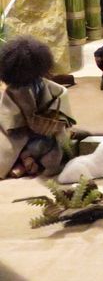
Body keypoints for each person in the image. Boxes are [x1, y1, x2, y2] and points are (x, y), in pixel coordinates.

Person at [0, 37, 76, 179]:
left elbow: (61, 95)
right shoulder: (13, 90)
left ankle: (25, 163)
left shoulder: (46, 85)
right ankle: (25, 161)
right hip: (21, 133)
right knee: (10, 148)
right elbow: (7, 113)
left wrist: (53, 117)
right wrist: (21, 125)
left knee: (53, 148)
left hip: (47, 132)